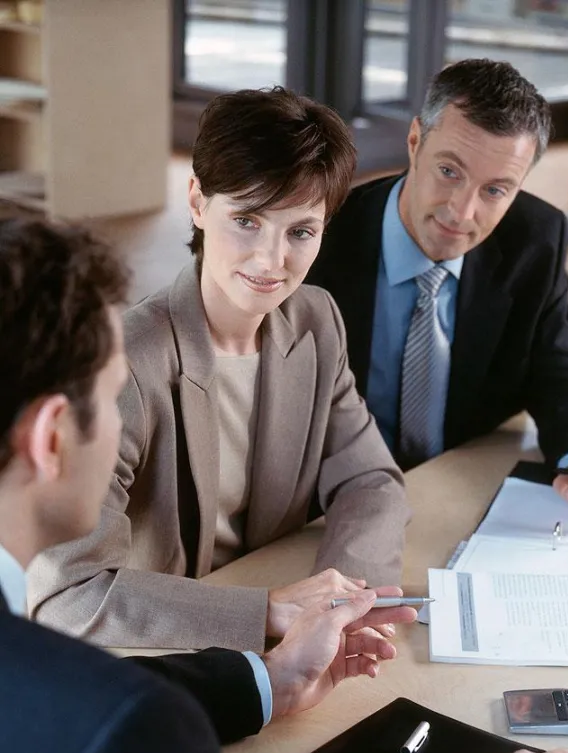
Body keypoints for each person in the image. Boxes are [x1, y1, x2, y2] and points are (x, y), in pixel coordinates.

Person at [0, 218, 568, 753]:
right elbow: (85, 726)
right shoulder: (118, 740)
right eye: (112, 398)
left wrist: (261, 684)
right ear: (51, 437)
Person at [27, 87, 410, 650]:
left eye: (301, 231)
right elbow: (67, 592)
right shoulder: (123, 365)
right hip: (162, 648)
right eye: (248, 219)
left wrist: (346, 601)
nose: (271, 260)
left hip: (279, 626)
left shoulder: (315, 321)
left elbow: (371, 479)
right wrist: (269, 612)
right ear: (199, 202)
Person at [307, 58, 568, 533]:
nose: (462, 212)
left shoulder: (535, 237)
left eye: (496, 190)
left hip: (459, 488)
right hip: (330, 502)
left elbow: (561, 369)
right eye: (449, 171)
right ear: (415, 142)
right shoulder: (322, 238)